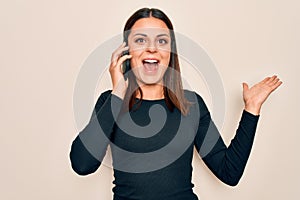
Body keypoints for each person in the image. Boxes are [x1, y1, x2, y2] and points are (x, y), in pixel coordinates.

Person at [69, 8, 282, 200]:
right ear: (127, 52)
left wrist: (251, 109)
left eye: (161, 41)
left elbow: (229, 173)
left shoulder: (191, 104)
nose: (152, 48)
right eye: (140, 40)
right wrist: (117, 94)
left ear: (170, 53)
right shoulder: (111, 102)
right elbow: (82, 165)